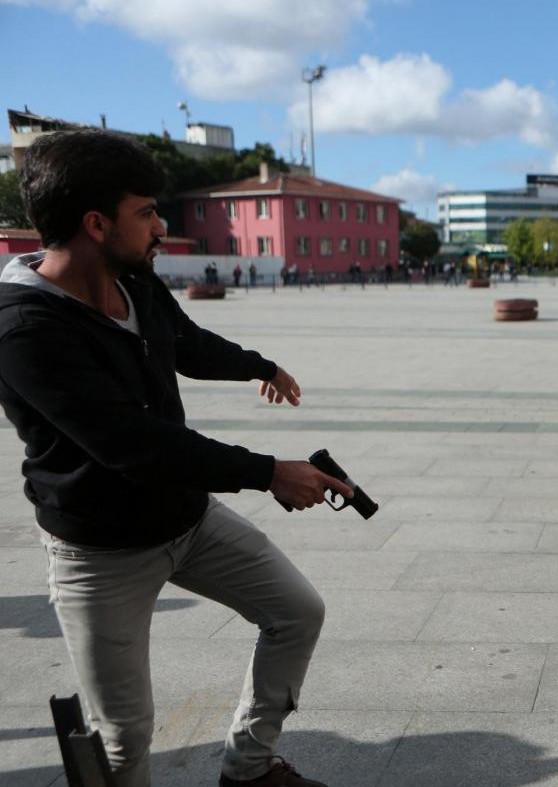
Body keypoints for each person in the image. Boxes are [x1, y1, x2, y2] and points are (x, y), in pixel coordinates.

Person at [0, 130, 353, 787]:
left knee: (297, 610)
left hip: (187, 520)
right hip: (100, 550)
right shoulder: (24, 331)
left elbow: (182, 340)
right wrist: (268, 471)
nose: (161, 227)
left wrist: (259, 364)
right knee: (124, 739)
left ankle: (249, 767)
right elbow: (132, 445)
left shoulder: (131, 275)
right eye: (147, 212)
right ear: (95, 223)